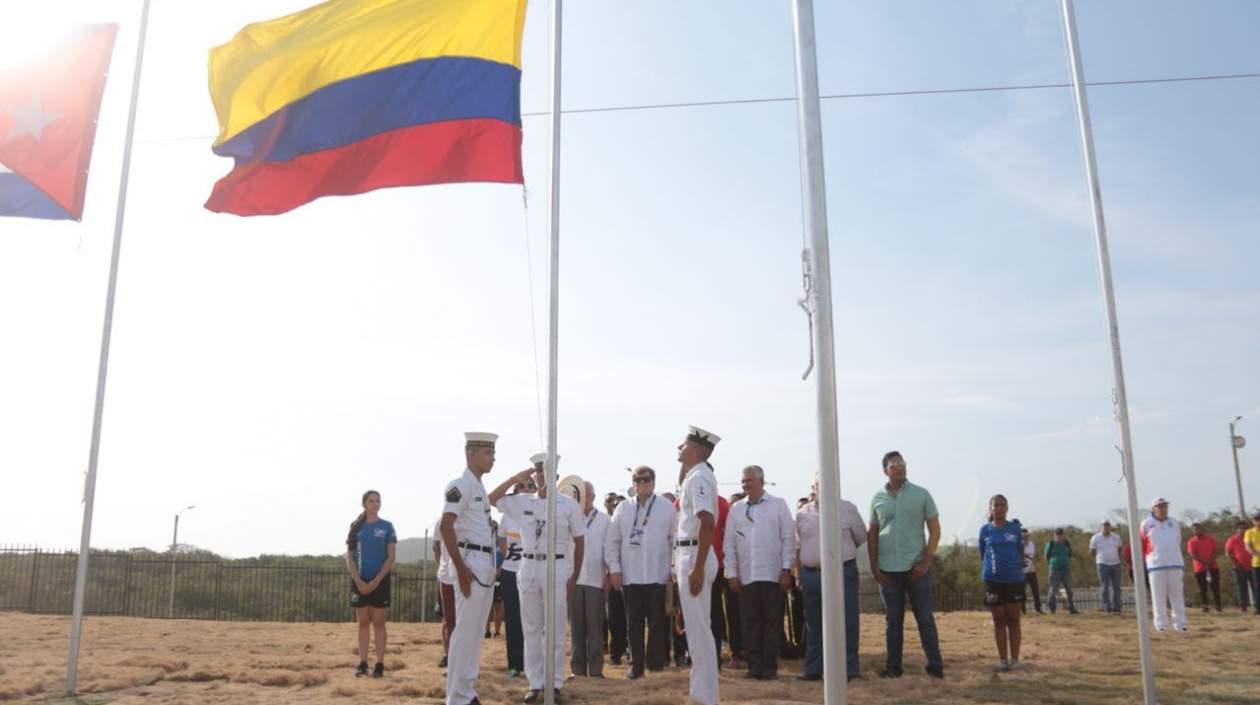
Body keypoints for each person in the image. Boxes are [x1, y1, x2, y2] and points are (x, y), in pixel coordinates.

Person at [490, 454, 586, 704]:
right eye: (537, 472)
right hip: (529, 564)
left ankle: (554, 683)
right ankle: (534, 683)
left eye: (546, 472)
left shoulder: (568, 505)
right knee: (530, 628)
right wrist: (514, 478)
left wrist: (574, 574)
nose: (541, 476)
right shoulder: (522, 502)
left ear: (555, 476)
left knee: (553, 629)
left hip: (556, 565)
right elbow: (491, 500)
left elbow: (579, 539)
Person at [868, 451, 944, 680]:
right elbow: (872, 533)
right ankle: (893, 668)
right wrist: (874, 565)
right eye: (895, 465)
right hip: (888, 571)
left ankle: (935, 667)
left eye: (903, 464)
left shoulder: (921, 494)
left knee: (925, 620)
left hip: (916, 569)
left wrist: (926, 561)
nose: (900, 468)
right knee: (893, 622)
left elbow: (935, 530)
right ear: (885, 471)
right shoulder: (877, 498)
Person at [440, 431, 500, 705]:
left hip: (483, 563)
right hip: (470, 563)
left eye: (493, 452)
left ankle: (467, 691)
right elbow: (446, 526)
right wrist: (460, 568)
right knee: (465, 634)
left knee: (475, 634)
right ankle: (457, 698)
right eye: (488, 453)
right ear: (471, 454)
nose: (493, 458)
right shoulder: (460, 485)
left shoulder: (479, 487)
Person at [723, 465, 795, 680]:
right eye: (743, 481)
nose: (745, 484)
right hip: (746, 577)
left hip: (772, 575)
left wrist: (786, 570)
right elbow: (729, 544)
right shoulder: (736, 509)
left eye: (749, 481)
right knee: (749, 623)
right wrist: (732, 573)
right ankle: (754, 667)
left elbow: (788, 540)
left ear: (761, 482)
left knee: (772, 623)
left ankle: (769, 667)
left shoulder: (778, 505)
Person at [607, 466, 676, 679]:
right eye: (637, 480)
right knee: (633, 623)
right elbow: (612, 541)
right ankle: (636, 667)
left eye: (646, 479)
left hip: (658, 574)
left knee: (657, 622)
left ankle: (655, 665)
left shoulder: (666, 507)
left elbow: (675, 541)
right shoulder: (623, 509)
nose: (642, 483)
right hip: (631, 575)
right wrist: (615, 569)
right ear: (633, 483)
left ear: (653, 482)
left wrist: (673, 570)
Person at [796, 476, 865, 682]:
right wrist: (799, 574)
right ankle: (814, 669)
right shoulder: (802, 514)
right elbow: (798, 546)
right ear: (813, 488)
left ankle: (850, 669)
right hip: (812, 574)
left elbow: (860, 537)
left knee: (848, 621)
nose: (822, 488)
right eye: (817, 485)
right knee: (814, 624)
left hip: (842, 572)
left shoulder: (848, 509)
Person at [675, 425, 722, 705]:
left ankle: (704, 697)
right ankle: (701, 694)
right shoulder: (695, 475)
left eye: (683, 445)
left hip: (695, 556)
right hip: (690, 554)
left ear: (696, 450)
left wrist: (697, 567)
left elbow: (707, 522)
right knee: (696, 631)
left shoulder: (700, 478)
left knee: (700, 632)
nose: (678, 449)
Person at [345, 490, 397, 678]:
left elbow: (391, 557)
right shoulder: (355, 527)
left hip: (380, 581)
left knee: (379, 623)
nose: (375, 504)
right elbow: (349, 557)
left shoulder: (387, 527)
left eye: (378, 501)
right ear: (364, 504)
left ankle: (380, 664)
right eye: (371, 501)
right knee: (363, 623)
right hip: (359, 581)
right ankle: (363, 663)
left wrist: (376, 581)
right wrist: (359, 581)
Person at [978, 495, 1024, 672]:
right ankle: (1002, 660)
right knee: (998, 620)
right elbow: (983, 554)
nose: (998, 508)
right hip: (993, 581)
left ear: (1007, 508)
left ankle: (1015, 660)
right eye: (995, 505)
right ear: (990, 508)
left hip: (1014, 580)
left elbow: (1020, 551)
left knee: (1013, 620)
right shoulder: (985, 530)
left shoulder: (1015, 529)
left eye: (1002, 505)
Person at [571, 481, 611, 679]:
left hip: (596, 579)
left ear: (593, 497)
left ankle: (596, 670)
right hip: (574, 580)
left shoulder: (604, 520)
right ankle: (577, 670)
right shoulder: (570, 518)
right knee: (576, 627)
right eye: (579, 495)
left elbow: (609, 550)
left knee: (595, 627)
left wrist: (609, 573)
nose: (583, 499)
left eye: (586, 495)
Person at [1140, 497, 1188, 632]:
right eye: (1160, 507)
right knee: (1158, 596)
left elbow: (1177, 540)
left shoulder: (1174, 523)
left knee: (1177, 596)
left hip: (1175, 563)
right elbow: (1142, 544)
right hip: (1156, 565)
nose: (1163, 509)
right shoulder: (1146, 524)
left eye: (1165, 506)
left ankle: (1181, 623)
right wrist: (1150, 558)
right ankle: (1161, 624)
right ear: (1154, 509)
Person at [499, 480, 530, 677]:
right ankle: (514, 665)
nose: (527, 489)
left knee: (532, 620)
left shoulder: (538, 512)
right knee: (512, 620)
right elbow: (502, 539)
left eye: (530, 486)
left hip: (531, 572)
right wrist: (507, 556)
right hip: (510, 571)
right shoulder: (507, 517)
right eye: (523, 487)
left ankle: (531, 665)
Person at [603, 492, 629, 666]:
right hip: (613, 579)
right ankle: (615, 653)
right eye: (614, 504)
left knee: (631, 619)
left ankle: (630, 651)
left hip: (632, 579)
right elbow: (604, 552)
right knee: (614, 618)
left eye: (621, 504)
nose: (617, 507)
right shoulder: (606, 525)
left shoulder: (631, 525)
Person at [434, 518, 456, 668]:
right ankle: (448, 654)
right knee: (448, 619)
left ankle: (461, 656)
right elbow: (436, 547)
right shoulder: (442, 521)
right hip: (446, 576)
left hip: (465, 576)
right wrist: (442, 568)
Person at [1186, 522, 1222, 613]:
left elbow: (1216, 551)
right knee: (1203, 588)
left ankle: (1218, 605)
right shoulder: (1191, 541)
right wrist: (1203, 562)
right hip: (1200, 568)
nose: (1197, 531)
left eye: (1198, 529)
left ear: (1202, 529)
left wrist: (1210, 560)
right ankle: (1205, 606)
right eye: (1195, 529)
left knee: (1215, 587)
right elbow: (1192, 554)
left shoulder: (1210, 539)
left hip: (1212, 566)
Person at [1089, 521, 1124, 614]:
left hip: (1115, 563)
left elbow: (1120, 548)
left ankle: (1117, 606)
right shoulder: (1096, 538)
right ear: (1101, 527)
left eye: (1107, 525)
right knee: (1104, 586)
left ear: (1110, 527)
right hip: (1102, 564)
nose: (1106, 527)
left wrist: (1118, 558)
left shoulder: (1116, 537)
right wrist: (1098, 559)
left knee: (1116, 586)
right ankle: (1106, 606)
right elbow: (1092, 551)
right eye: (1104, 526)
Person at [1044, 529, 1078, 615]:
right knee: (1053, 589)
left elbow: (1070, 554)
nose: (1059, 536)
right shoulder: (1051, 544)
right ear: (1054, 535)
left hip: (1066, 569)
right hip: (1055, 569)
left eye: (1060, 534)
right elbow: (1046, 556)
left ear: (1063, 535)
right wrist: (1051, 564)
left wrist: (1068, 562)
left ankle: (1072, 608)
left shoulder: (1066, 543)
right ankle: (1052, 609)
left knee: (1069, 589)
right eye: (1057, 534)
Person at [1224, 520, 1256, 613]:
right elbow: (1228, 553)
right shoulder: (1232, 540)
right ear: (1236, 529)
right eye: (1241, 528)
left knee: (1256, 587)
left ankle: (1257, 606)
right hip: (1239, 568)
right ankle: (1243, 606)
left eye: (1245, 528)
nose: (1243, 530)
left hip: (1253, 566)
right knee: (1241, 588)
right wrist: (1235, 564)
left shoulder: (1250, 538)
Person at [1021, 529, 1042, 615]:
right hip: (1022, 572)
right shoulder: (1018, 545)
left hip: (1032, 571)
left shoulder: (1032, 544)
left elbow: (1033, 556)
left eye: (1027, 536)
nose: (1025, 537)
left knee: (1035, 591)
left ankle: (1038, 608)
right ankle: (1023, 610)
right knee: (1022, 592)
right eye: (1023, 536)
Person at [1245, 512, 1260, 615]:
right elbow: (1248, 546)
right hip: (1257, 563)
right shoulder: (1249, 532)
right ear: (1253, 521)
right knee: (1258, 586)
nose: (1258, 521)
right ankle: (1258, 607)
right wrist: (1255, 554)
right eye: (1256, 519)